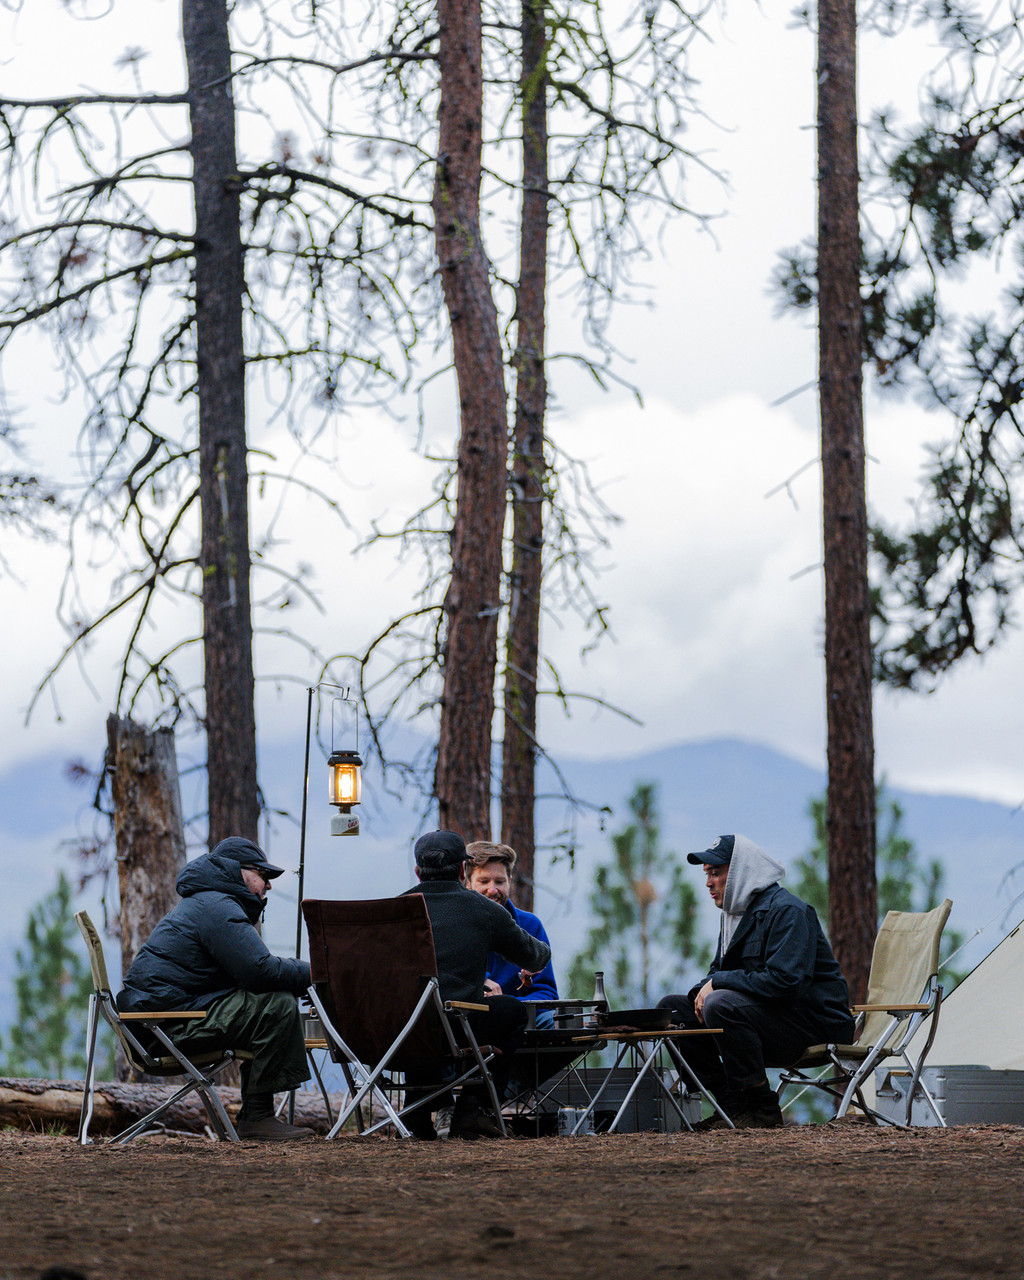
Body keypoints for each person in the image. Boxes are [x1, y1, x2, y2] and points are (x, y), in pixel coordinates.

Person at [118, 836, 314, 1142]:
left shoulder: (208, 902)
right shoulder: (216, 906)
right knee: (276, 1005)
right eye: (264, 876)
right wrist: (317, 973)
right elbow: (259, 970)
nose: (269, 886)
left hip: (158, 1024)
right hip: (162, 1029)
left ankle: (257, 1116)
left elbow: (248, 974)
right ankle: (257, 1117)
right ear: (239, 871)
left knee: (268, 1001)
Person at [658, 833, 855, 1130]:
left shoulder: (788, 911)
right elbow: (717, 973)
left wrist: (718, 984)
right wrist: (703, 990)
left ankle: (762, 1110)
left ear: (740, 871)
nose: (708, 883)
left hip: (813, 1025)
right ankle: (732, 1106)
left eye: (715, 872)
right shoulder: (734, 916)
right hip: (766, 1020)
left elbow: (786, 984)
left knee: (720, 1002)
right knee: (673, 1009)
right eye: (707, 874)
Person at [399, 829, 551, 1140]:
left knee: (421, 1009)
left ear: (417, 871)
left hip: (394, 1033)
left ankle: (415, 1114)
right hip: (455, 1030)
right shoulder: (480, 909)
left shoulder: (394, 909)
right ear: (462, 871)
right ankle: (474, 1107)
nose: (493, 889)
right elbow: (537, 957)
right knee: (507, 1011)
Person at [466, 840, 558, 1030]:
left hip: (521, 1022)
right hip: (469, 1022)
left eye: (499, 881)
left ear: (510, 880)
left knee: (553, 1022)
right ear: (467, 883)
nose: (492, 890)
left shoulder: (530, 925)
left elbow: (547, 993)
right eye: (483, 881)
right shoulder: (455, 924)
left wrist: (507, 1005)